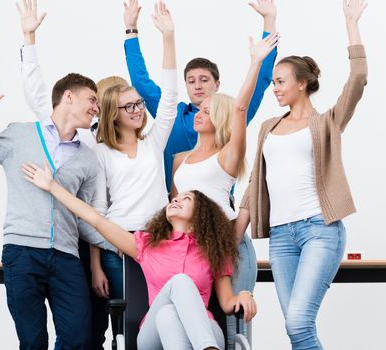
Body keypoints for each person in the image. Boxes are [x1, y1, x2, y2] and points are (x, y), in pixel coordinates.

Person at [237, 0, 368, 348]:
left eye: (281, 81)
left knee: (298, 321)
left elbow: (358, 79)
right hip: (281, 238)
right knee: (298, 331)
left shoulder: (326, 123)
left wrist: (351, 23)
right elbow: (254, 184)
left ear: (303, 83)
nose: (276, 87)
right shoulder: (268, 127)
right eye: (274, 82)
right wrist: (236, 232)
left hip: (319, 232)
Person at [21, 156, 257, 349]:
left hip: (203, 329)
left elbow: (227, 303)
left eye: (186, 199)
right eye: (174, 198)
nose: (175, 200)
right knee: (178, 288)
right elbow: (95, 220)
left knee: (168, 316)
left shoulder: (213, 252)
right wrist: (52, 187)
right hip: (151, 336)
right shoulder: (147, 244)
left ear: (201, 214)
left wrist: (244, 294)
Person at [0, 73, 104, 349]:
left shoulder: (87, 158)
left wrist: (119, 242)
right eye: (92, 99)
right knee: (33, 342)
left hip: (66, 257)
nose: (96, 108)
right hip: (22, 252)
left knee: (79, 337)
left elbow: (84, 217)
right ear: (68, 97)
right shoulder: (19, 134)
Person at [16, 0, 130, 346]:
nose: (101, 107)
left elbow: (100, 208)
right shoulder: (79, 135)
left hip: (104, 237)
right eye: (97, 101)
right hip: (72, 240)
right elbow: (38, 95)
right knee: (85, 326)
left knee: (97, 325)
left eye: (108, 101)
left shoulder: (123, 146)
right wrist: (29, 40)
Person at [171, 30, 278, 348]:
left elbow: (241, 109)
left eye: (206, 111)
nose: (199, 113)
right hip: (193, 250)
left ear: (219, 118)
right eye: (199, 110)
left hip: (230, 246)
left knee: (234, 330)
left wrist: (256, 61)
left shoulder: (227, 156)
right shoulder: (180, 161)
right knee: (198, 328)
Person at [123, 0, 278, 192]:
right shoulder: (171, 114)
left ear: (217, 84)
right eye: (191, 80)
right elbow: (141, 83)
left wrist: (269, 21)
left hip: (217, 211)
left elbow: (261, 78)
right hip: (174, 209)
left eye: (204, 79)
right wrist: (131, 29)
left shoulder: (231, 114)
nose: (197, 86)